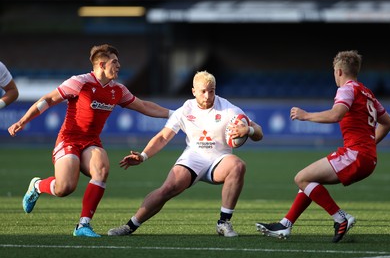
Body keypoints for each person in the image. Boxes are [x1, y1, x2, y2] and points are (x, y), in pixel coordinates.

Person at [8, 44, 173, 237]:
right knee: (65, 188)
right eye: (115, 62)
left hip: (91, 142)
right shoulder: (80, 82)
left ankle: (83, 225)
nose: (119, 65)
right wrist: (23, 120)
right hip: (69, 139)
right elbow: (49, 99)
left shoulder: (117, 90)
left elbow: (144, 106)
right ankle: (37, 185)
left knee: (102, 168)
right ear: (102, 64)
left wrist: (174, 114)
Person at [255, 50, 390, 243]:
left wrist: (306, 116)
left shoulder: (347, 89)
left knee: (301, 178)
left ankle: (340, 217)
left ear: (338, 72)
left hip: (355, 154)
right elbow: (388, 123)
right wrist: (370, 144)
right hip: (367, 157)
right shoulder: (367, 92)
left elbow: (336, 114)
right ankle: (285, 224)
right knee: (310, 180)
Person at [107, 70, 263, 237]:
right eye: (203, 91)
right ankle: (130, 226)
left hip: (219, 159)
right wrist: (143, 156)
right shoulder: (185, 110)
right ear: (194, 91)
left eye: (212, 91)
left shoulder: (228, 110)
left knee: (238, 165)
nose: (208, 95)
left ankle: (223, 223)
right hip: (194, 157)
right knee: (167, 189)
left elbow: (259, 133)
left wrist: (249, 129)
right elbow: (162, 137)